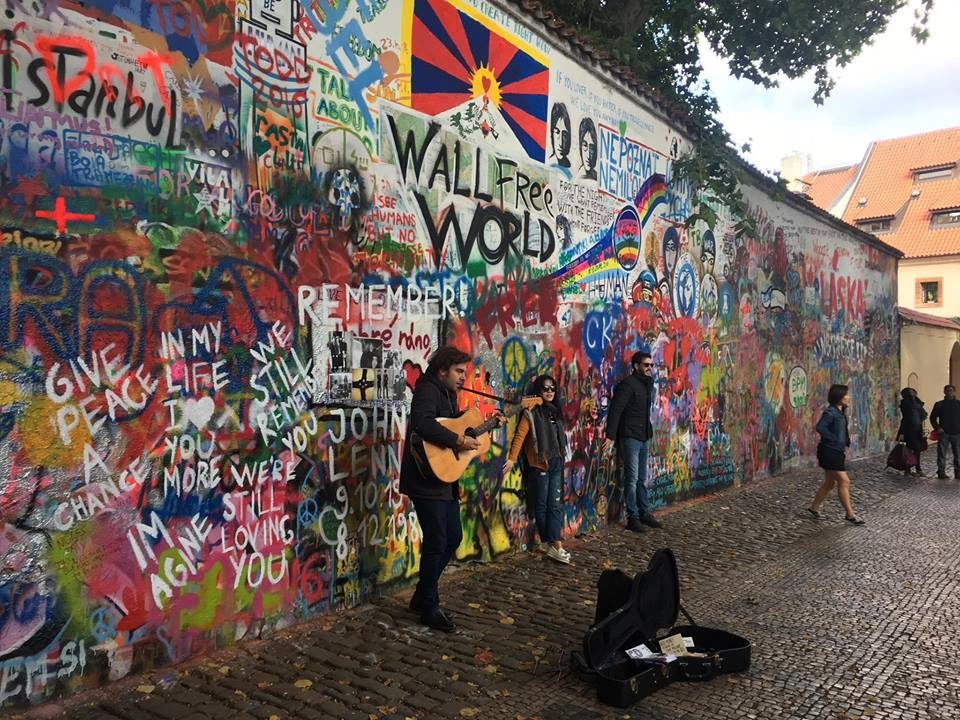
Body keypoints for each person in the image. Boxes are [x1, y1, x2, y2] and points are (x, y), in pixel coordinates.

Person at [399, 346, 500, 632]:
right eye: (458, 372)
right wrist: (457, 441)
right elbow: (423, 424)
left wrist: (488, 426)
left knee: (452, 536)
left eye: (465, 373)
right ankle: (429, 606)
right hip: (425, 479)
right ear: (443, 369)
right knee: (437, 540)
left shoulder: (447, 393)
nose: (462, 378)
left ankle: (422, 594)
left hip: (444, 479)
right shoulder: (428, 389)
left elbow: (457, 427)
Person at [503, 375, 569, 564]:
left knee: (554, 505)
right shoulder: (531, 413)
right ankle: (553, 544)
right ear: (538, 391)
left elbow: (558, 440)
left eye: (552, 389)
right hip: (539, 464)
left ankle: (555, 544)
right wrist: (511, 459)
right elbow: (520, 436)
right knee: (542, 506)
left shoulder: (556, 412)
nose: (549, 392)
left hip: (555, 463)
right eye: (545, 389)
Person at [603, 351, 662, 533]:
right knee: (631, 480)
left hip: (644, 436)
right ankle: (632, 517)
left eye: (651, 365)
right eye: (646, 365)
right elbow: (616, 411)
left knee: (642, 479)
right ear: (636, 366)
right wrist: (611, 436)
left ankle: (644, 513)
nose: (649, 368)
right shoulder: (627, 385)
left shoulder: (647, 384)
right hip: (630, 437)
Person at [808, 384, 865, 525]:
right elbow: (820, 427)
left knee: (829, 483)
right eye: (845, 394)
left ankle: (813, 508)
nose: (848, 397)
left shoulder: (840, 412)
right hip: (829, 451)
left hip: (837, 451)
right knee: (844, 481)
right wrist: (833, 438)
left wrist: (842, 441)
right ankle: (850, 515)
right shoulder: (831, 412)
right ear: (838, 396)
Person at [930, 384, 960, 479]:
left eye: (951, 390)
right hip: (944, 433)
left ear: (954, 391)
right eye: (947, 390)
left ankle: (958, 473)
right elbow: (933, 418)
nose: (949, 392)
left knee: (958, 454)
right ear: (944, 392)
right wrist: (938, 428)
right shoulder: (939, 404)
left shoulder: (959, 403)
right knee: (942, 454)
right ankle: (941, 472)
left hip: (957, 433)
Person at [898, 387, 927, 476]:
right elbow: (910, 411)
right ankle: (910, 469)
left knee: (916, 450)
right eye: (911, 392)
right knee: (912, 449)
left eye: (913, 392)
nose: (913, 393)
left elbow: (924, 414)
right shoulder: (905, 403)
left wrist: (919, 405)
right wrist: (917, 402)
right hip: (908, 430)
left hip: (917, 429)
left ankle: (915, 469)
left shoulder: (917, 403)